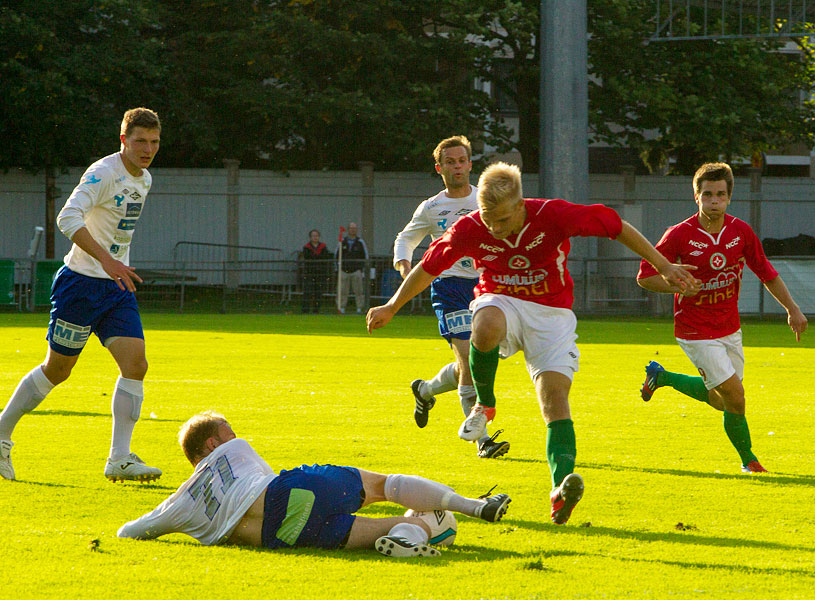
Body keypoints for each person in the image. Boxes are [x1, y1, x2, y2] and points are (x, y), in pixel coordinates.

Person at [368, 162, 699, 525]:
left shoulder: (552, 214)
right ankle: (485, 406)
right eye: (489, 218)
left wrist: (664, 265)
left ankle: (559, 491)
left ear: (521, 205)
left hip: (552, 315)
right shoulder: (470, 228)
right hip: (500, 299)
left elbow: (615, 226)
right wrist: (391, 305)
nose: (495, 228)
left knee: (556, 401)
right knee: (486, 321)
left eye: (504, 219)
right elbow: (429, 267)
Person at [0, 107, 163, 483]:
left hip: (116, 287)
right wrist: (107, 261)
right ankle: (2, 433)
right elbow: (67, 218)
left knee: (136, 365)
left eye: (154, 142)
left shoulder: (145, 179)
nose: (148, 149)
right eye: (140, 141)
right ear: (123, 139)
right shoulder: (103, 172)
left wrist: (115, 265)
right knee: (58, 370)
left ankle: (119, 458)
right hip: (81, 286)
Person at [118, 411, 511, 558]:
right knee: (383, 486)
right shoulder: (232, 450)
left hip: (280, 537)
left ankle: (408, 532)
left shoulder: (181, 502)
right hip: (287, 493)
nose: (236, 436)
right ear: (212, 444)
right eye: (230, 432)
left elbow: (130, 531)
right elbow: (265, 486)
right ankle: (475, 507)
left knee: (382, 530)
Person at [637, 162, 808, 473]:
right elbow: (645, 277)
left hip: (729, 328)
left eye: (719, 194)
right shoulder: (678, 235)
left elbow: (766, 273)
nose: (713, 200)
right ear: (696, 197)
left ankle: (662, 377)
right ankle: (750, 461)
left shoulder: (740, 232)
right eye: (707, 194)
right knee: (736, 397)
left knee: (721, 401)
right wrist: (676, 286)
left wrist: (792, 309)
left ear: (729, 198)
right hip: (694, 330)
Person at [392, 135, 508, 460]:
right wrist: (404, 262)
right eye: (450, 162)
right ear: (439, 167)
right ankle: (482, 440)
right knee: (470, 363)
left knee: (476, 360)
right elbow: (407, 237)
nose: (457, 167)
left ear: (470, 164)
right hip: (449, 287)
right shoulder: (432, 207)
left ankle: (425, 390)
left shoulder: (486, 200)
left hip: (487, 287)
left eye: (461, 161)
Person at [336, 222, 369, 314]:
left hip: (356, 271)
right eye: (351, 228)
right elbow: (337, 255)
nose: (353, 230)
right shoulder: (342, 241)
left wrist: (361, 269)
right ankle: (341, 307)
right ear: (348, 229)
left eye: (354, 228)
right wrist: (338, 268)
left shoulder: (360, 242)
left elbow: (365, 256)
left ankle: (359, 308)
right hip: (344, 271)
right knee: (342, 291)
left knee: (358, 291)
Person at [300, 229, 332, 314]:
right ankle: (305, 310)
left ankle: (316, 310)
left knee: (318, 292)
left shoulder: (323, 247)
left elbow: (325, 257)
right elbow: (308, 257)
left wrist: (316, 258)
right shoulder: (306, 247)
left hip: (320, 273)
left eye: (316, 236)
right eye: (313, 236)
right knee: (308, 292)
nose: (315, 237)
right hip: (310, 273)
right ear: (310, 237)